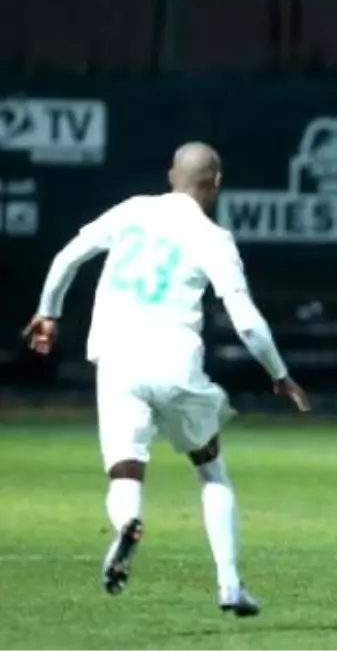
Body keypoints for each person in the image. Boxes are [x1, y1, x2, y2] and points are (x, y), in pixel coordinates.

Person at [22, 142, 310, 617]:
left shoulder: (133, 210)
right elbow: (248, 322)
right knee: (210, 467)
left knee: (125, 469)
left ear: (170, 174)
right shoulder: (213, 238)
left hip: (115, 359)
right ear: (214, 183)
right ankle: (230, 586)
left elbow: (67, 258)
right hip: (174, 363)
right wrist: (279, 374)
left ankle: (128, 526)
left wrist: (48, 313)